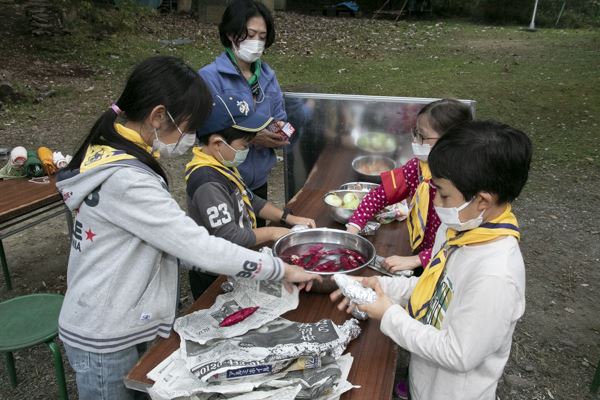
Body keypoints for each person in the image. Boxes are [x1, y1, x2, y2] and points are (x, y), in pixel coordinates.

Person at [55, 56, 319, 400]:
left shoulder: (111, 147)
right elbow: (197, 244)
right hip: (106, 327)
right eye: (188, 126)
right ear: (158, 116)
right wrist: (279, 269)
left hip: (119, 311)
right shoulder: (128, 179)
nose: (191, 137)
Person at [332, 120, 533, 400]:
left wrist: (388, 314)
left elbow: (458, 353)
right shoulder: (460, 230)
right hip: (425, 378)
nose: (435, 202)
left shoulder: (495, 276)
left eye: (443, 193)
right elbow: (434, 287)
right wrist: (381, 285)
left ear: (483, 201)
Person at [185, 93, 316, 299]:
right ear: (218, 143)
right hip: (215, 275)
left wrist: (288, 219)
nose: (247, 150)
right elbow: (230, 235)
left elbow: (250, 199)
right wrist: (273, 232)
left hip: (234, 260)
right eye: (244, 145)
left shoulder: (222, 165)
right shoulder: (207, 182)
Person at [346, 99, 473, 274]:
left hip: (447, 265)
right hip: (420, 253)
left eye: (422, 136)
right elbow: (381, 194)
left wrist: (418, 260)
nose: (416, 141)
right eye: (415, 133)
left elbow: (462, 242)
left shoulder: (466, 182)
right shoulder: (419, 167)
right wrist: (354, 226)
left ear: (451, 140)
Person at [198, 0, 287, 226]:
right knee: (228, 241)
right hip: (224, 178)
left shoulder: (267, 76)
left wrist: (279, 136)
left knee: (257, 238)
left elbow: (280, 116)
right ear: (231, 34)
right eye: (250, 34)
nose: (256, 42)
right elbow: (206, 129)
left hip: (259, 182)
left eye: (262, 37)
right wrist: (255, 137)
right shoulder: (210, 77)